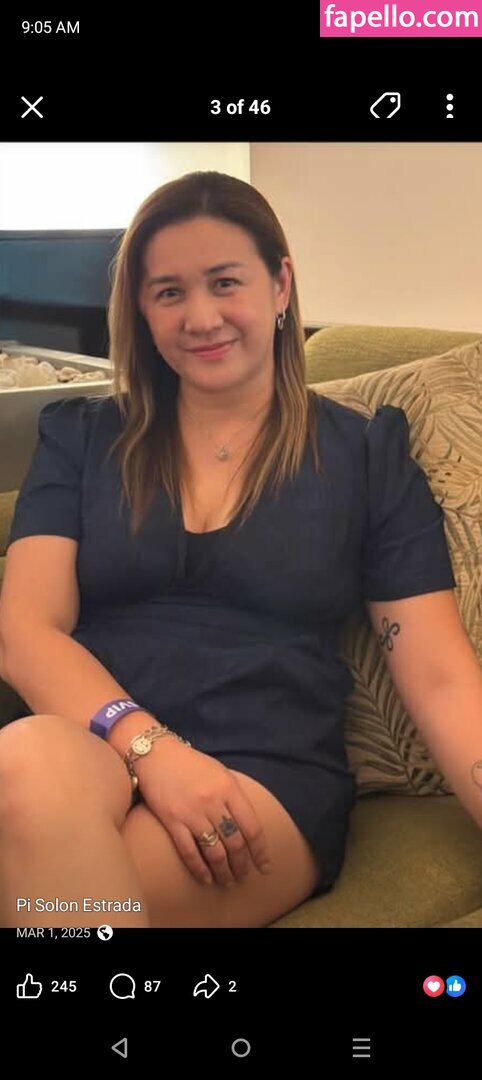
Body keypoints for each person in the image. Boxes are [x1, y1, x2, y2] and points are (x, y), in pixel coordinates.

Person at [0, 171, 480, 929]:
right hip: (93, 741)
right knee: (25, 760)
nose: (201, 317)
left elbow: (441, 677)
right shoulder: (83, 438)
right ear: (141, 310)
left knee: (51, 888)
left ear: (280, 285)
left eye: (225, 282)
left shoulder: (363, 456)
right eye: (169, 292)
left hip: (262, 778)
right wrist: (154, 751)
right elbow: (26, 631)